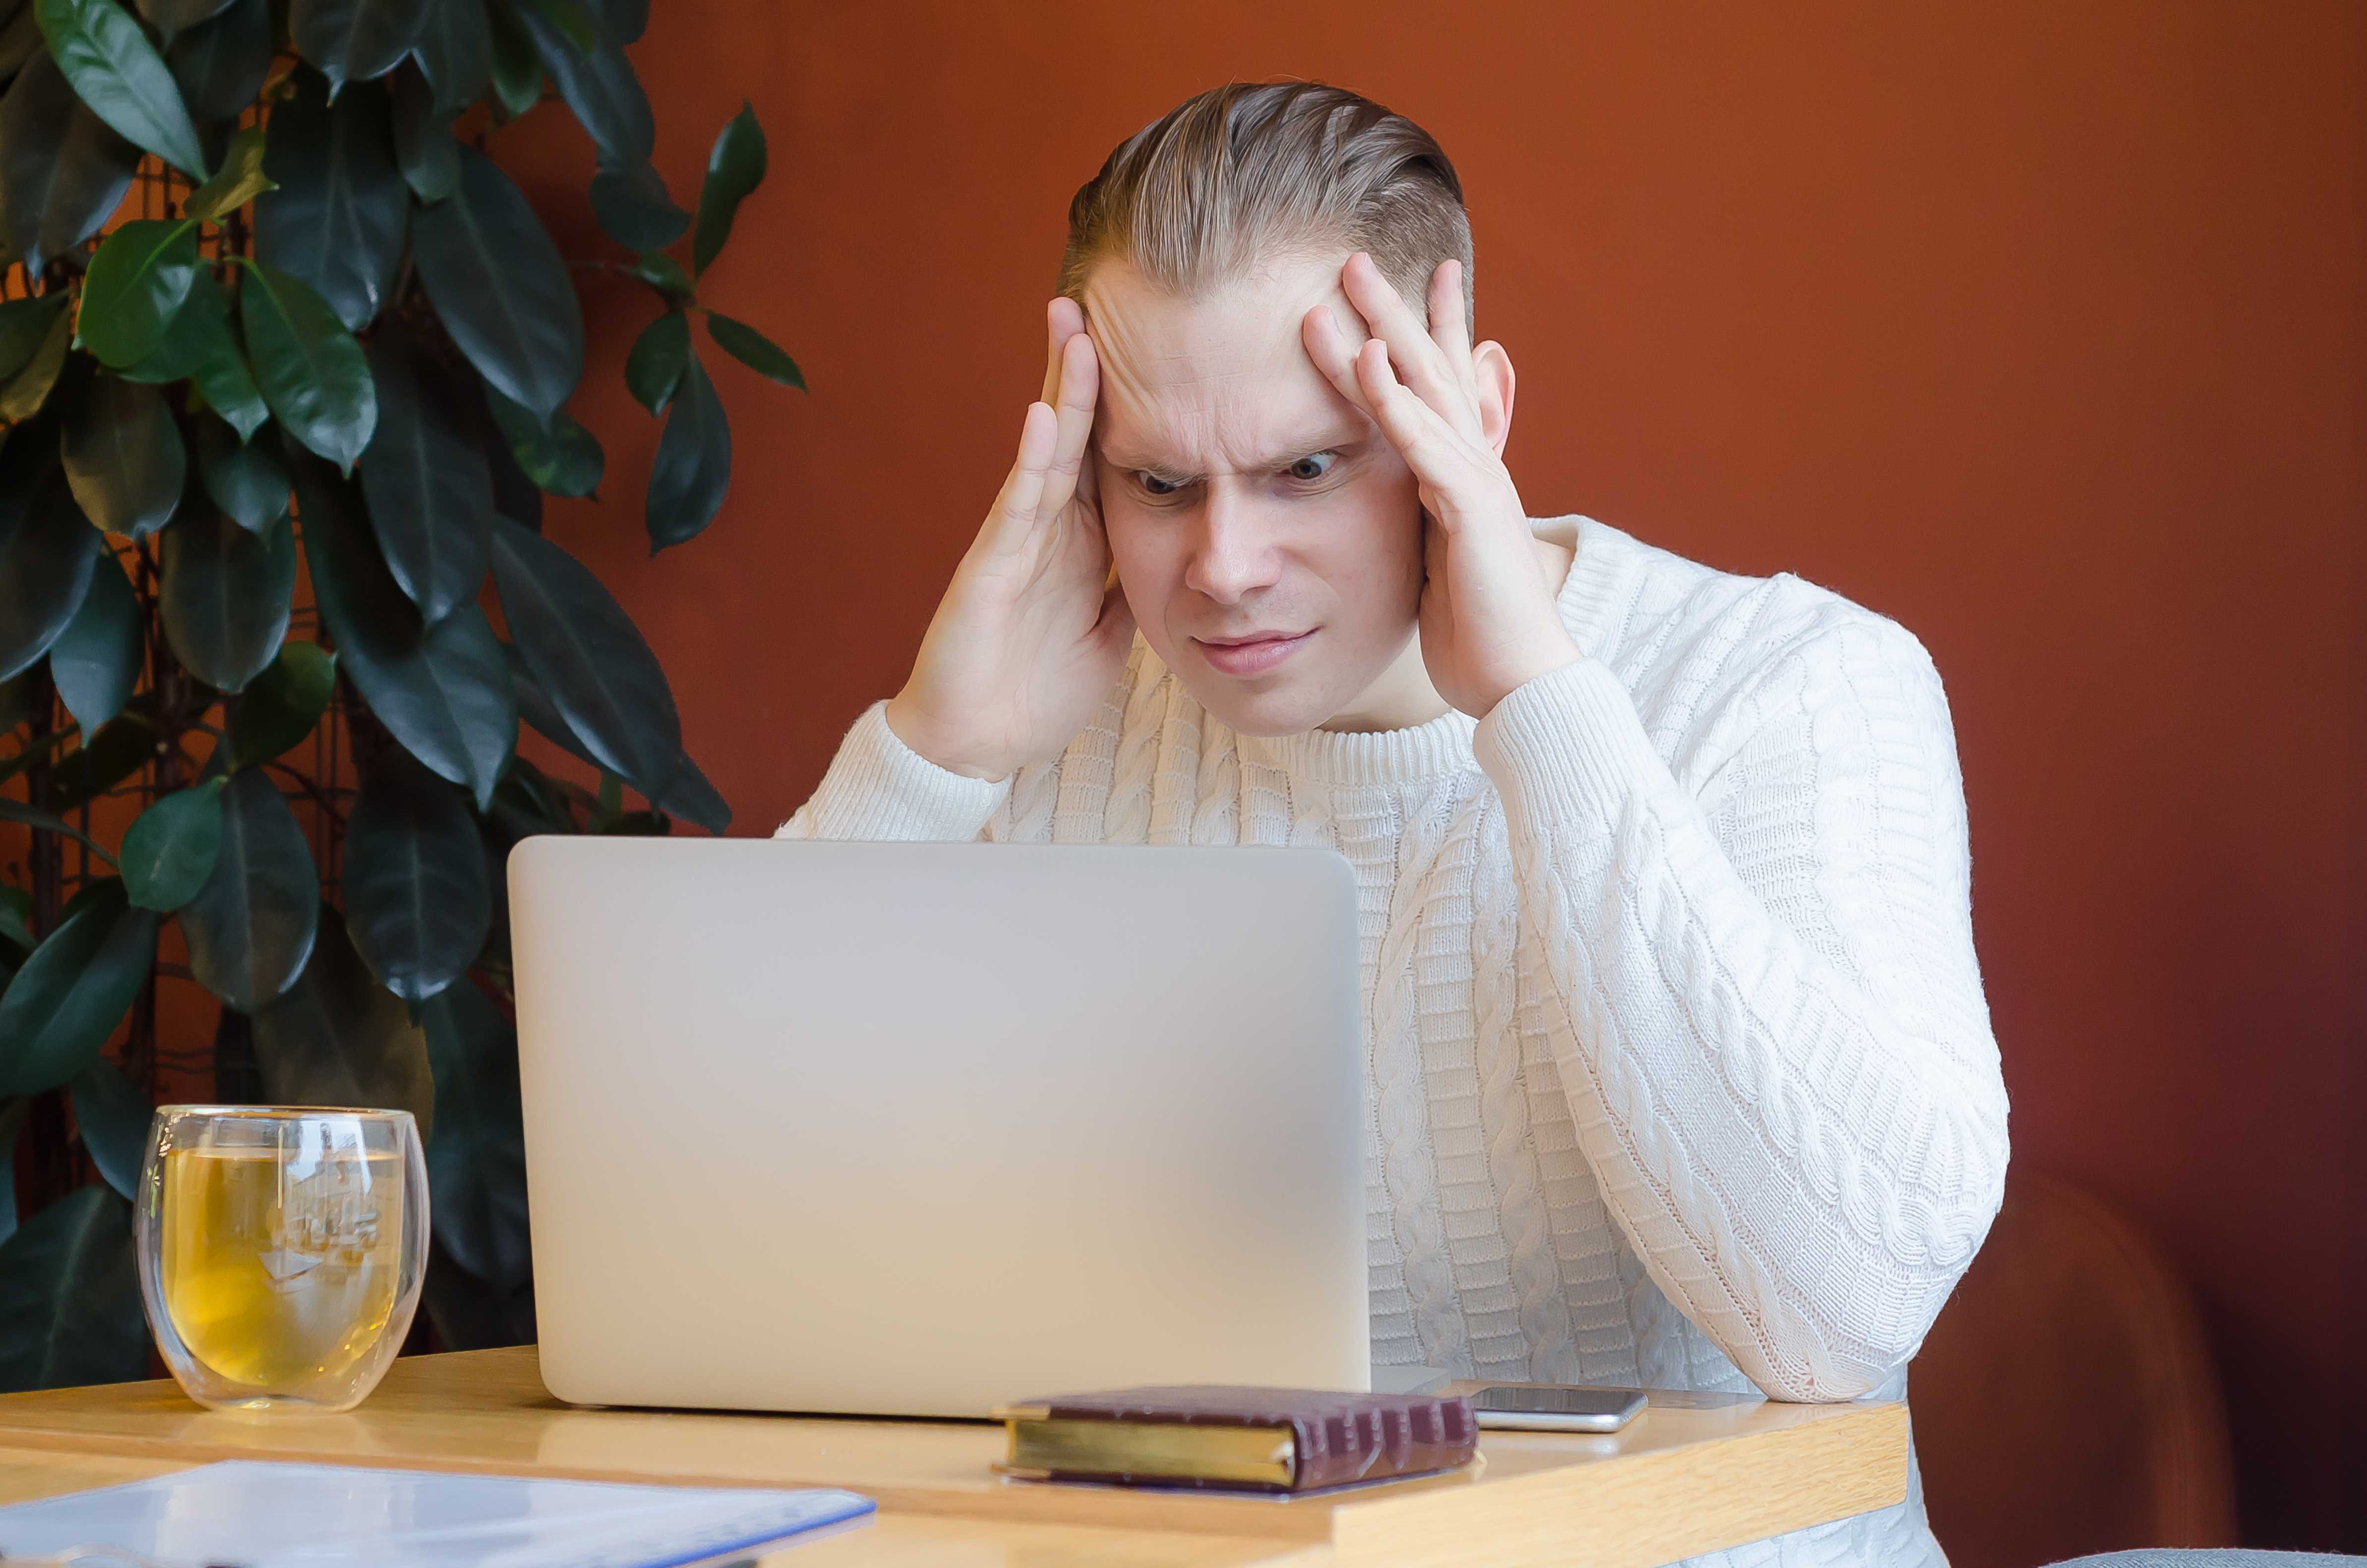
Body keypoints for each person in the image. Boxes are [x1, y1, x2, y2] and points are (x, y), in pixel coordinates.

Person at [779, 79, 2009, 1566]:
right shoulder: (1052, 735)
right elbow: (734, 1260)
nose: (1224, 565)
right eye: (1158, 483)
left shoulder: (1793, 688)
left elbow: (1840, 1309)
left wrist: (1543, 710)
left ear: (1466, 417)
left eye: (1308, 468)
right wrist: (932, 754)